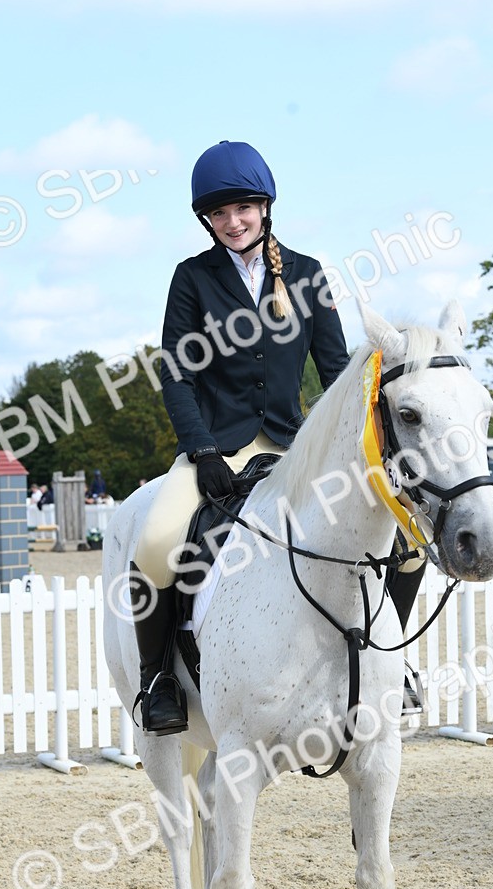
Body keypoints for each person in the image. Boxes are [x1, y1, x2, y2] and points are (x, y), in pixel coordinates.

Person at [134, 139, 415, 734]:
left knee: (404, 537)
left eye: (242, 209)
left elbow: (339, 372)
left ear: (265, 207)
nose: (232, 223)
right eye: (218, 214)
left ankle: (397, 662)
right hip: (217, 448)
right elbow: (176, 372)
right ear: (206, 220)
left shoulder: (309, 275)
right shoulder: (192, 279)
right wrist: (204, 449)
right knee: (157, 542)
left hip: (296, 449)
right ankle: (157, 678)